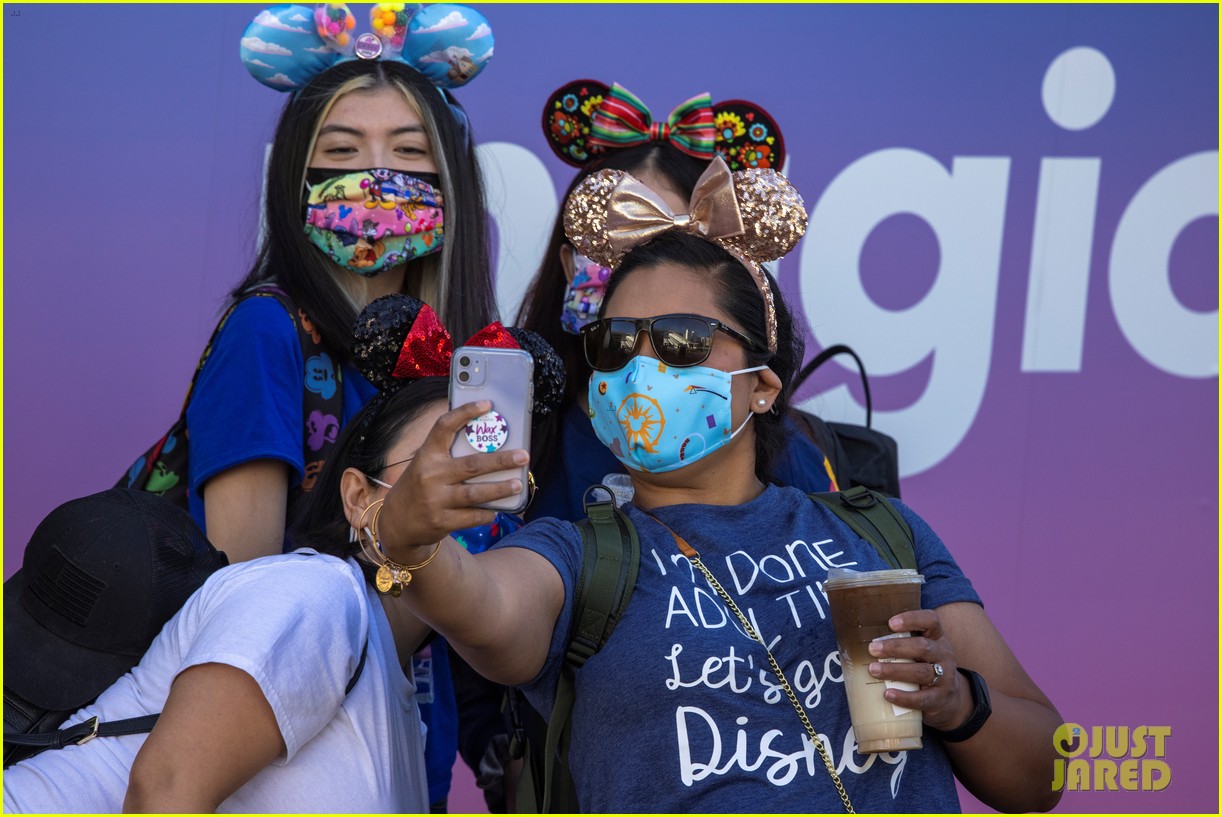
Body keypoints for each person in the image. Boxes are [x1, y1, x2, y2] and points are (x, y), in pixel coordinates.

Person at [368, 157, 1064, 812]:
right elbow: (484, 607)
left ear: (761, 386)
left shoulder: (878, 530)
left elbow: (1046, 770)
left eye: (680, 340)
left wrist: (957, 702)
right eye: (616, 343)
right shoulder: (580, 558)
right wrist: (410, 538)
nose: (640, 369)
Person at [183, 3, 497, 564]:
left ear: (451, 182)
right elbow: (245, 598)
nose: (376, 177)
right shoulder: (265, 332)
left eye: (409, 150)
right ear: (295, 180)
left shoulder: (461, 357)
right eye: (341, 151)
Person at [516, 79, 837, 524]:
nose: (639, 269)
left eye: (665, 241)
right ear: (570, 265)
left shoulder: (787, 451)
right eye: (622, 237)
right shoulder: (520, 430)